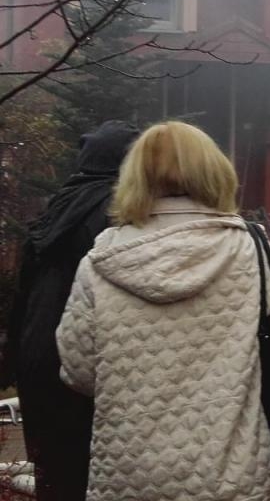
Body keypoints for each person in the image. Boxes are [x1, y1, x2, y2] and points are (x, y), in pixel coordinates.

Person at [56, 120, 270, 500]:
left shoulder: (101, 260)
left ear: (134, 177)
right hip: (233, 471)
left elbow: (78, 370)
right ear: (215, 172)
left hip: (128, 472)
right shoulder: (253, 250)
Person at [5, 119, 139, 501]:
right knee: (90, 476)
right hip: (80, 359)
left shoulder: (57, 206)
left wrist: (13, 356)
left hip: (36, 355)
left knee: (54, 475)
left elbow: (24, 290)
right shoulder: (117, 211)